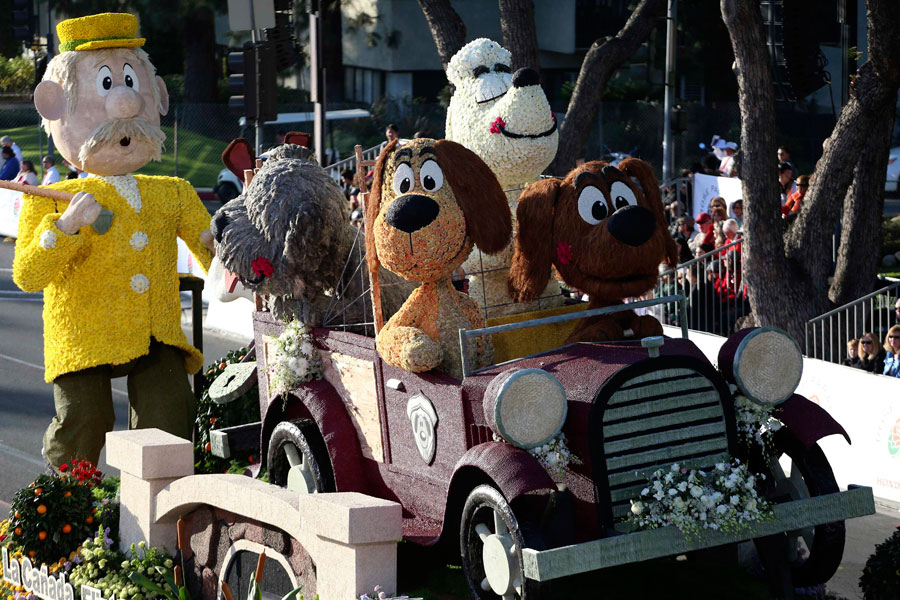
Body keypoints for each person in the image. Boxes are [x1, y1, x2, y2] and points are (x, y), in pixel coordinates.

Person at [13, 13, 214, 471]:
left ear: (156, 94)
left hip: (153, 331)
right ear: (53, 105)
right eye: (106, 84)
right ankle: (64, 517)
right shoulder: (51, 198)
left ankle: (161, 519)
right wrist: (64, 228)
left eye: (130, 82)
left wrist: (229, 255)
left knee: (169, 420)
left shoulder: (173, 193)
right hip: (82, 333)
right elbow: (28, 274)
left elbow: (208, 245)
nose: (124, 101)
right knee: (84, 420)